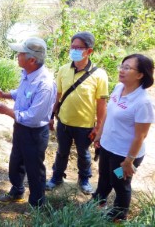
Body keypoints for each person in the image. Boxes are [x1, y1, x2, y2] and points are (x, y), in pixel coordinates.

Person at [0, 37, 56, 207]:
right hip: (21, 128)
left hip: (34, 133)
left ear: (32, 59)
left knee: (34, 170)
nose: (17, 55)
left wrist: (7, 111)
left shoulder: (45, 84)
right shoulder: (28, 73)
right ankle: (17, 191)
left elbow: (33, 116)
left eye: (21, 53)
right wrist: (4, 94)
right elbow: (23, 93)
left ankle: (37, 204)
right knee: (16, 162)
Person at [91, 54, 154, 221]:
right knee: (104, 176)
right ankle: (98, 201)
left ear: (140, 74)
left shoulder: (143, 102)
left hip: (124, 155)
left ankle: (119, 216)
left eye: (128, 68)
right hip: (107, 146)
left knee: (120, 183)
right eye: (122, 66)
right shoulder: (119, 88)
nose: (122, 70)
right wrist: (99, 134)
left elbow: (141, 135)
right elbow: (109, 115)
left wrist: (129, 161)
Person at [46, 31, 108, 195]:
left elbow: (101, 104)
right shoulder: (63, 70)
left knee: (84, 154)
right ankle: (56, 177)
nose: (74, 50)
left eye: (78, 48)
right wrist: (51, 117)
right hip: (64, 122)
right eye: (72, 47)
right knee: (61, 152)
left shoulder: (99, 75)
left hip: (85, 125)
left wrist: (98, 128)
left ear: (89, 51)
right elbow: (58, 96)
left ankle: (84, 179)